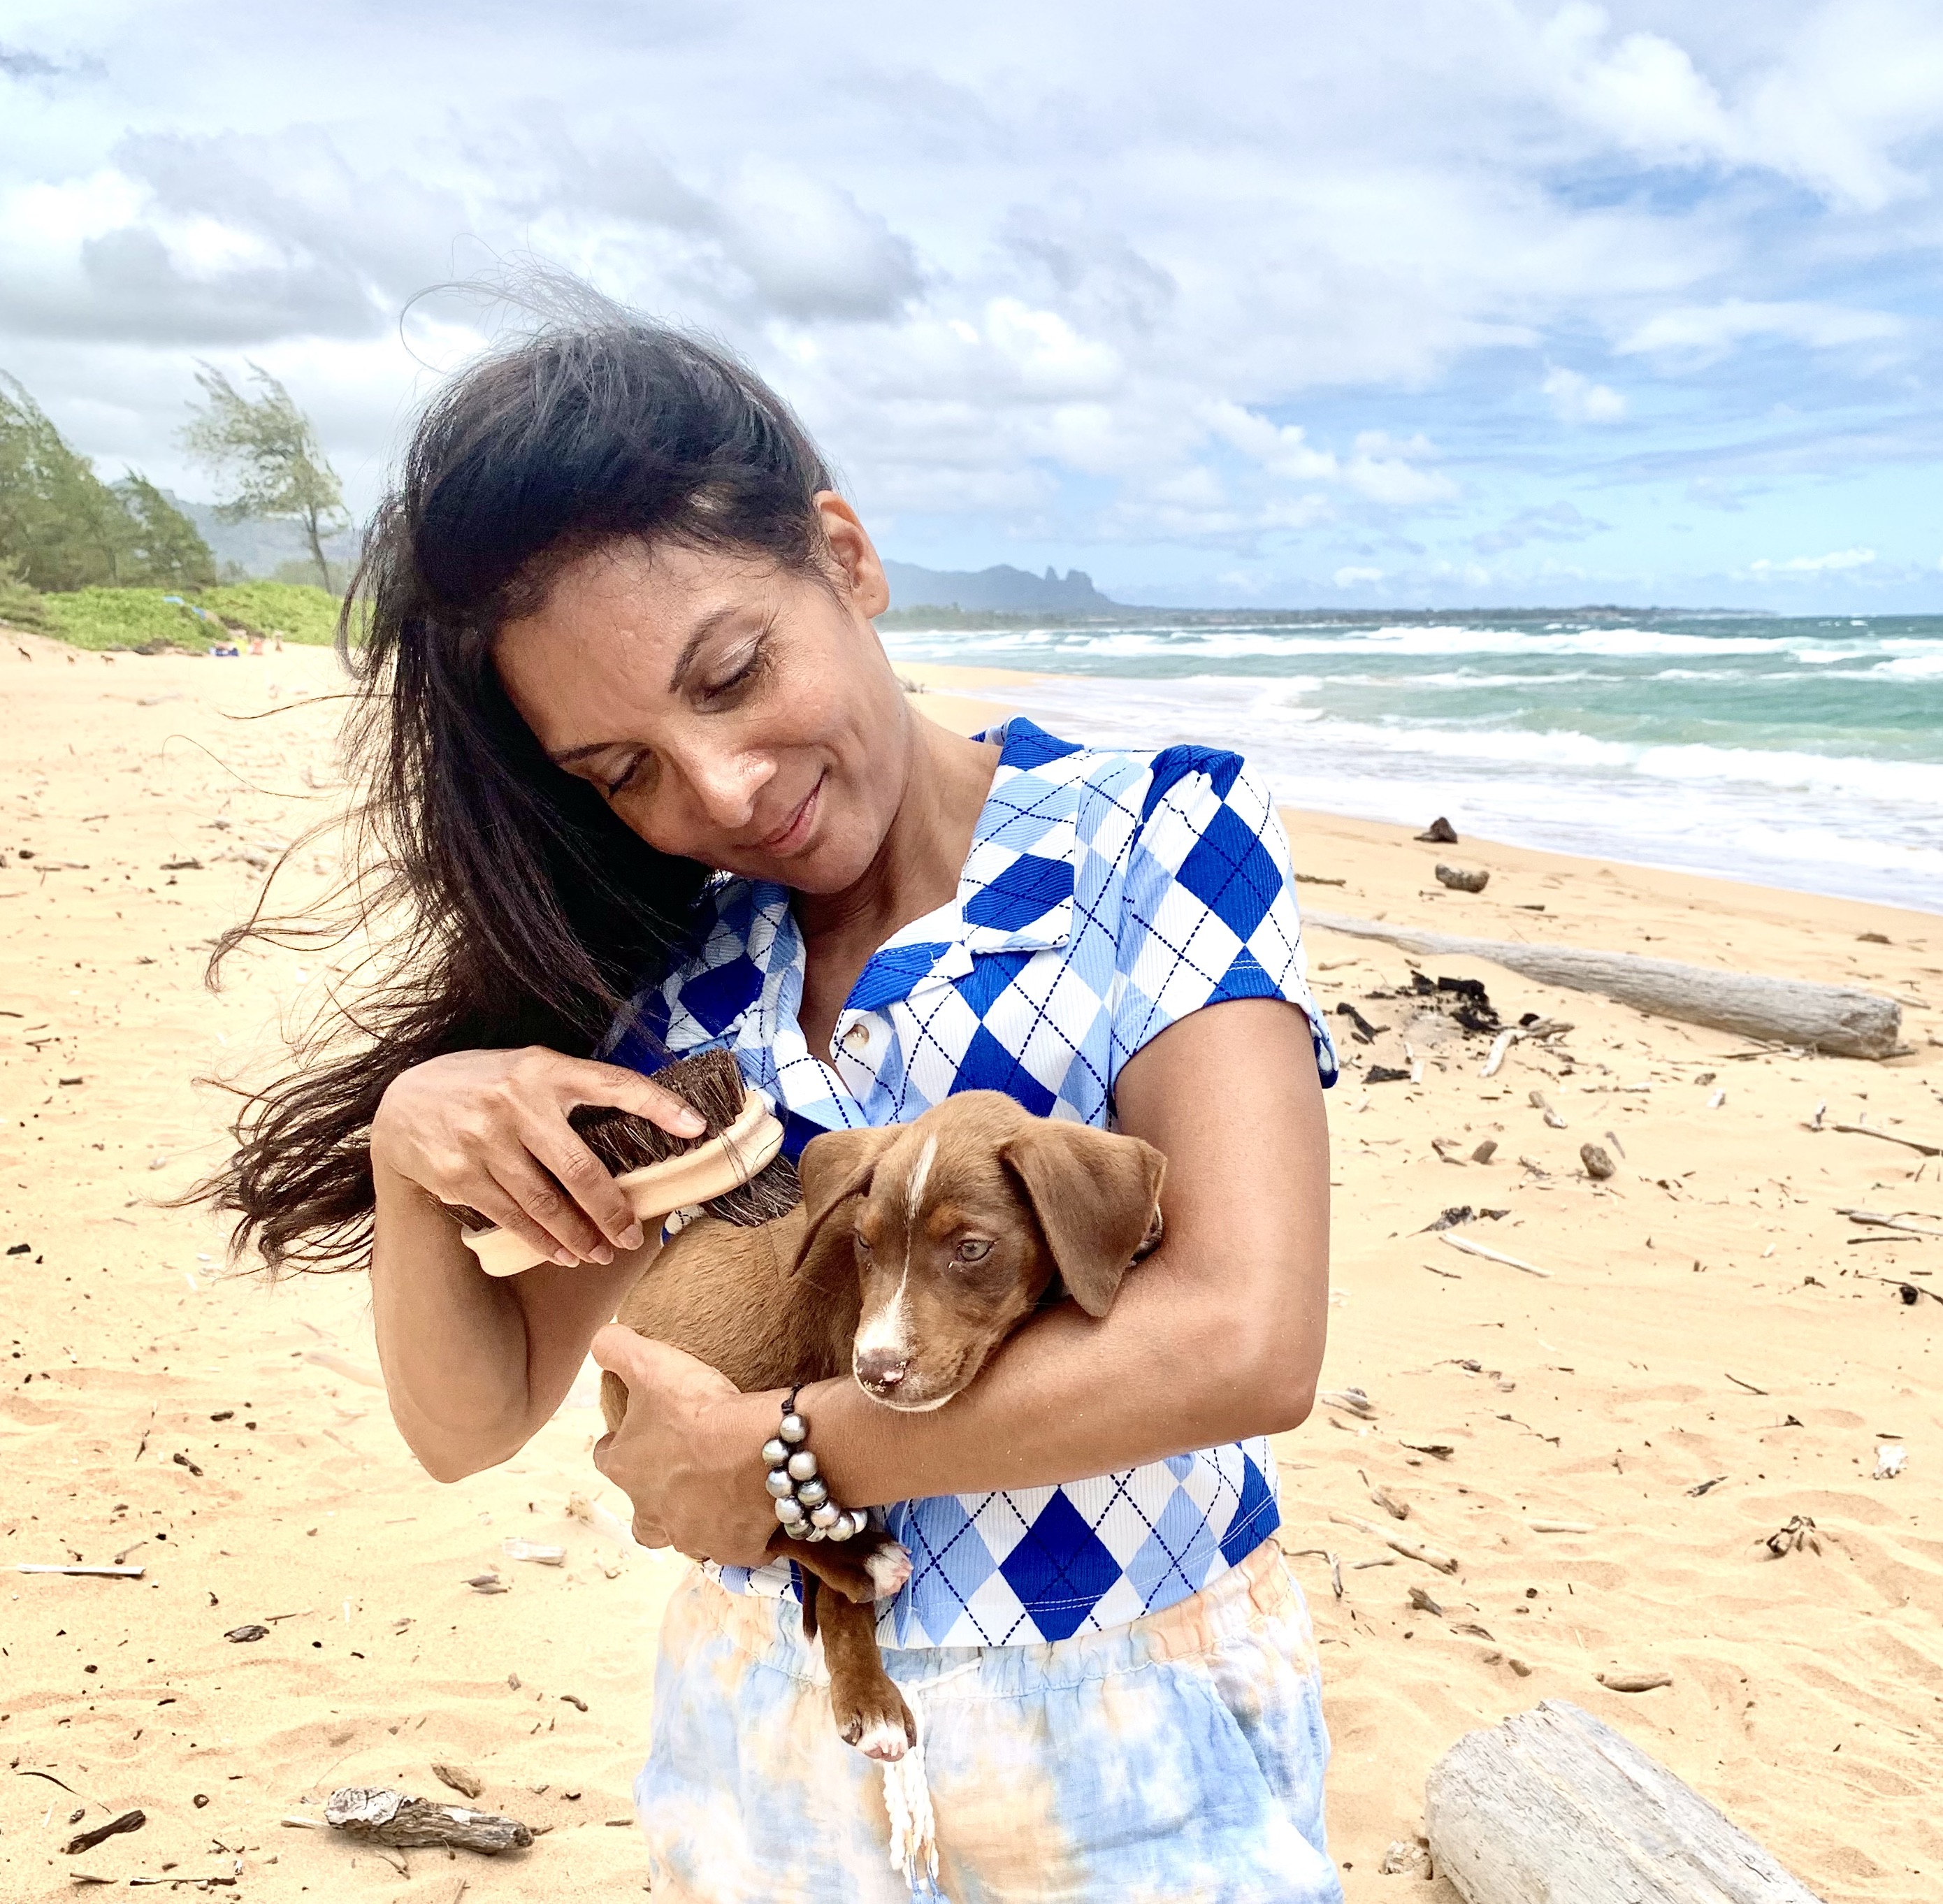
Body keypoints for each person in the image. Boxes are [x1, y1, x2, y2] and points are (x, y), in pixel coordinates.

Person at [210, 308, 1343, 1903]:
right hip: (766, 1754)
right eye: (622, 772)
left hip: (1125, 1739)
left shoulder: (1153, 835)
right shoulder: (674, 990)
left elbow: (1244, 1338)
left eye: (734, 674)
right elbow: (471, 1422)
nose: (720, 791)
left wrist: (787, 1457)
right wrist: (411, 1146)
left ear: (845, 555)